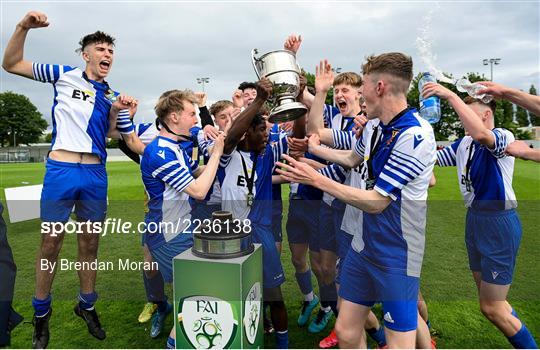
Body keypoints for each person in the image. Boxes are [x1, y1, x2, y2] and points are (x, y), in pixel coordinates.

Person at [2, 11, 143, 349]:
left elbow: (113, 135)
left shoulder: (112, 93)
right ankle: (41, 314)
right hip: (62, 169)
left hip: (95, 173)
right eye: (101, 48)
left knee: (89, 244)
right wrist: (23, 27)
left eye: (111, 50)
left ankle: (87, 305)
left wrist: (124, 114)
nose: (107, 54)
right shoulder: (64, 75)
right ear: (85, 55)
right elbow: (11, 64)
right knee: (50, 244)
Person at [277, 52, 436, 348]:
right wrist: (316, 150)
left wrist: (316, 179)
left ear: (380, 88)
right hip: (363, 246)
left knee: (401, 342)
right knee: (348, 331)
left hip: (396, 254)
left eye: (362, 86)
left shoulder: (415, 135)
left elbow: (377, 201)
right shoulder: (375, 126)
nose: (360, 93)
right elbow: (352, 158)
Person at [423, 82, 538, 349]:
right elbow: (432, 158)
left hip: (498, 223)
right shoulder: (463, 142)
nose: (462, 117)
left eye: (468, 111)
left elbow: (483, 138)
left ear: (485, 115)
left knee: (491, 307)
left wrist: (450, 95)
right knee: (493, 303)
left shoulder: (502, 136)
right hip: (474, 220)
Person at [218, 77, 303, 348]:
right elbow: (231, 136)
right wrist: (258, 101)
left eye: (268, 131)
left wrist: (298, 98)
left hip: (261, 234)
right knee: (234, 293)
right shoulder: (227, 155)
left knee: (273, 294)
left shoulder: (268, 155)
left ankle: (283, 343)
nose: (267, 135)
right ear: (247, 133)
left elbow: (298, 138)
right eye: (261, 131)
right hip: (231, 235)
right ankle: (238, 338)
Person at [140, 89, 225, 348]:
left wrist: (219, 164)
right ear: (174, 117)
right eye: (191, 114)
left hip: (179, 228)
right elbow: (198, 191)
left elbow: (194, 172)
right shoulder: (161, 153)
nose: (196, 120)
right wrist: (218, 154)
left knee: (194, 291)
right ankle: (176, 341)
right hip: (169, 234)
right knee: (197, 293)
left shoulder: (173, 147)